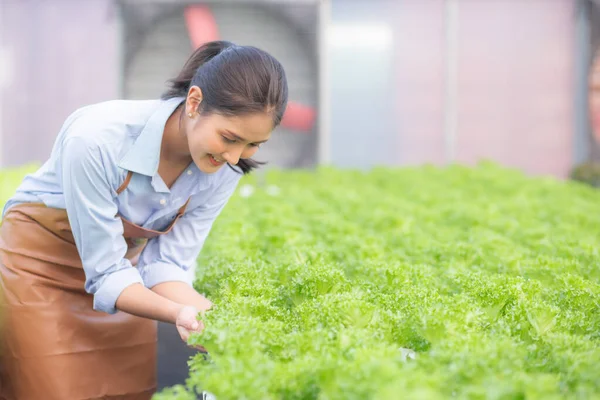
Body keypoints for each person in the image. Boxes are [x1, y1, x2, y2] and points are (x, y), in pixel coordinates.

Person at [0, 40, 288, 400]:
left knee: (127, 390)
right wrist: (178, 313)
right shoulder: (96, 139)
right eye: (229, 138)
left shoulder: (224, 170)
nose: (234, 155)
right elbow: (104, 273)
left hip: (124, 279)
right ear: (195, 102)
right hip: (39, 263)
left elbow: (167, 264)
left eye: (252, 144)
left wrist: (219, 323)